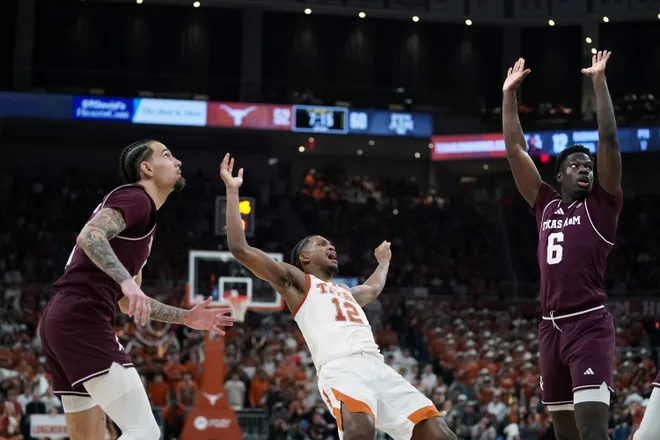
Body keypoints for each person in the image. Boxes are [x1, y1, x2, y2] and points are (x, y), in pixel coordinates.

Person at [220, 154, 456, 440]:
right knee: (361, 429)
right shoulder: (298, 282)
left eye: (331, 244)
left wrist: (384, 262)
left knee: (437, 431)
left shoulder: (344, 292)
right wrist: (233, 191)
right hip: (341, 367)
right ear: (305, 257)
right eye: (322, 244)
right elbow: (240, 248)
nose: (330, 246)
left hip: (376, 366)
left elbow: (372, 289)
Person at [39, 140, 235, 440]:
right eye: (168, 155)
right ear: (146, 168)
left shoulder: (141, 226)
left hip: (62, 319)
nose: (178, 161)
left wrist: (185, 318)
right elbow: (90, 236)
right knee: (143, 430)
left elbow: (128, 305)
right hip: (82, 316)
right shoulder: (137, 198)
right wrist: (127, 282)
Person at [502, 52, 622, 440]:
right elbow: (516, 150)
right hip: (550, 328)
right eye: (576, 164)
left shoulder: (602, 206)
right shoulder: (545, 203)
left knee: (591, 431)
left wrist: (598, 81)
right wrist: (508, 97)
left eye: (588, 165)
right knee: (565, 435)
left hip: (588, 323)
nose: (585, 168)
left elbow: (608, 139)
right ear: (559, 175)